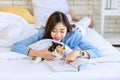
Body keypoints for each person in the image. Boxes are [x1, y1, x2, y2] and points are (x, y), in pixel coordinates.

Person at [11, 11, 101, 63]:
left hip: (77, 29)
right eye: (54, 31)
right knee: (64, 18)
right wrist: (39, 53)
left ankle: (89, 17)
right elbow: (16, 45)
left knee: (83, 23)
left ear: (67, 29)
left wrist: (78, 53)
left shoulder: (74, 35)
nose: (58, 35)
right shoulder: (43, 32)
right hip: (65, 24)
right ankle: (70, 15)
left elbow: (96, 51)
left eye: (62, 31)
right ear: (49, 29)